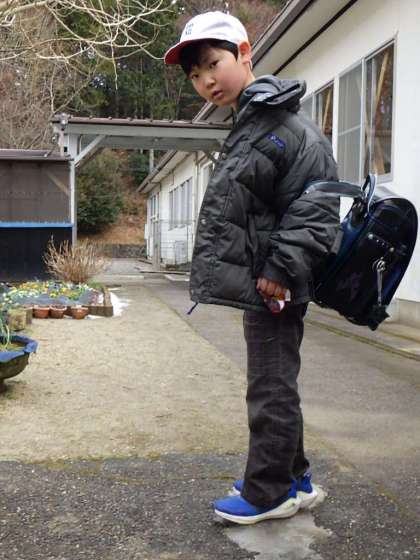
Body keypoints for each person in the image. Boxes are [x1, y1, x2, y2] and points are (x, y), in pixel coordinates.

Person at [164, 11, 339, 525]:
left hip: (276, 284)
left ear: (244, 53)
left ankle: (269, 494)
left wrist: (281, 268)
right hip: (266, 281)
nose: (206, 80)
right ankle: (295, 479)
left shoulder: (282, 127)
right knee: (275, 381)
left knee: (270, 387)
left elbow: (317, 206)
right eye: (196, 74)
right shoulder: (254, 122)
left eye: (213, 63)